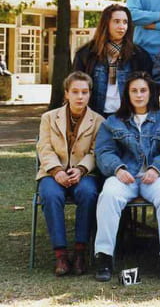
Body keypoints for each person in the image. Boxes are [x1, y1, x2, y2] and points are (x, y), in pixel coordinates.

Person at [93, 71, 160, 282]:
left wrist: (156, 168)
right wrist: (118, 169)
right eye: (134, 91)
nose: (139, 95)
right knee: (108, 194)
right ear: (127, 94)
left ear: (151, 93)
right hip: (126, 176)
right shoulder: (113, 122)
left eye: (143, 90)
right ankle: (104, 257)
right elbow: (104, 152)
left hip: (156, 176)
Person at [36, 71, 103, 276]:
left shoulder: (98, 121)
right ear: (66, 93)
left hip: (83, 174)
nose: (80, 96)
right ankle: (61, 255)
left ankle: (80, 252)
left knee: (88, 193)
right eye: (75, 92)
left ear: (90, 94)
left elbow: (96, 152)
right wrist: (56, 170)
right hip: (52, 173)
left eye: (84, 92)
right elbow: (44, 148)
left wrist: (81, 169)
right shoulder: (48, 118)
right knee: (50, 194)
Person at [73, 4, 152, 116]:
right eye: (116, 21)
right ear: (106, 24)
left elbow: (149, 90)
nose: (122, 26)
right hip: (95, 116)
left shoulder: (139, 55)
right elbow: (75, 87)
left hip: (128, 116)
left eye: (125, 22)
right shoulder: (87, 54)